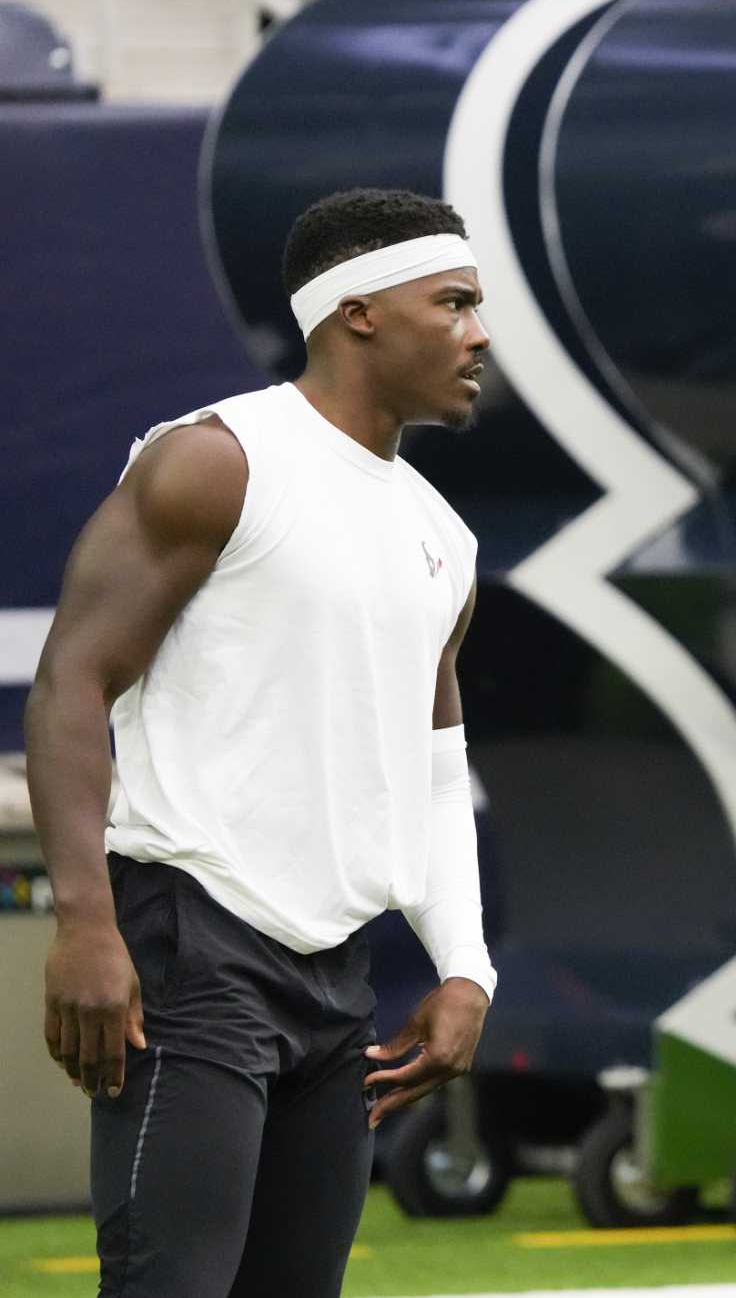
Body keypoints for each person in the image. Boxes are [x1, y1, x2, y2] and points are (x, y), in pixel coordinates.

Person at [25, 187, 498, 1296]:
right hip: (194, 950)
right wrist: (87, 924)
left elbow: (432, 771)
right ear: (359, 313)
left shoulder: (442, 534)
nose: (479, 336)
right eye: (456, 302)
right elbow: (70, 685)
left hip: (337, 975)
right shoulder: (217, 462)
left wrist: (465, 967)